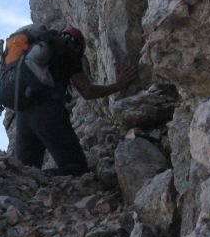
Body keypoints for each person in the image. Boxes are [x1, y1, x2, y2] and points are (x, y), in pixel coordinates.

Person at [14, 26, 138, 176]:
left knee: (24, 173)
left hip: (21, 113)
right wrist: (119, 85)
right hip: (47, 111)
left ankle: (34, 191)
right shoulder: (68, 50)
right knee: (76, 168)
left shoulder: (35, 53)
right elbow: (88, 91)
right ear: (78, 45)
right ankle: (49, 181)